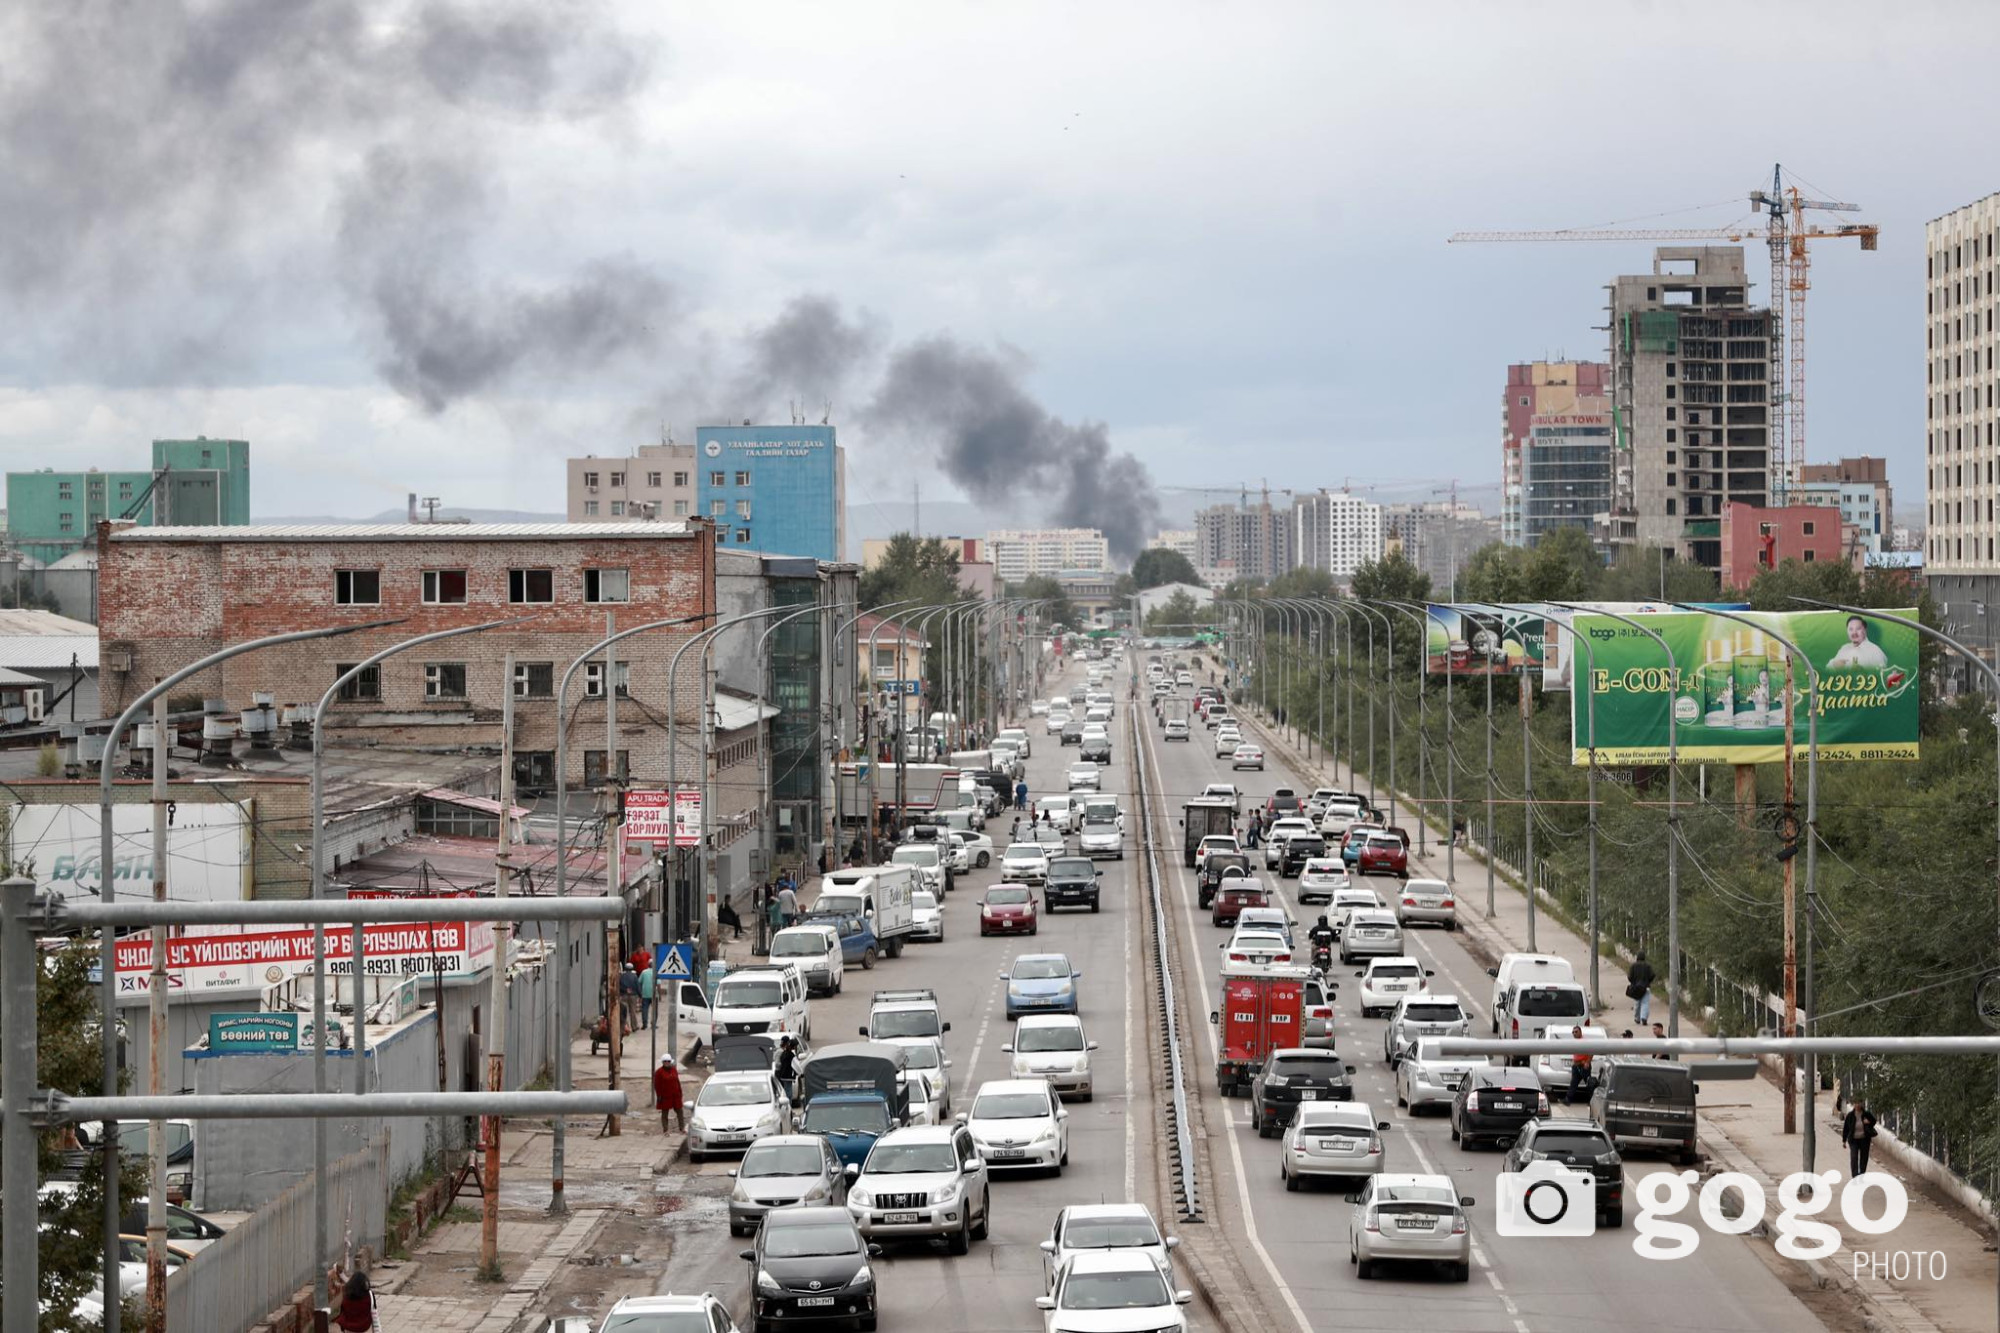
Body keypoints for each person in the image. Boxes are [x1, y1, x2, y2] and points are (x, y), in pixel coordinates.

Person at [1842, 1097, 1879, 1177]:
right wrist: (1844, 1140)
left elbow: (1874, 1121)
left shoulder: (1866, 1114)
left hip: (1864, 1139)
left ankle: (1862, 1174)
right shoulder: (1850, 1115)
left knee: (1864, 1158)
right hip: (1853, 1140)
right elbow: (1846, 1128)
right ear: (1853, 1104)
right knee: (1854, 1157)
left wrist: (1868, 1122)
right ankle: (1855, 1176)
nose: (1857, 1105)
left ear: (1862, 1104)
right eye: (1856, 1103)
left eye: (1859, 1103)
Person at [653, 1053, 685, 1132]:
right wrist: (659, 1096)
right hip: (665, 1096)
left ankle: (682, 1128)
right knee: (665, 1114)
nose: (667, 1062)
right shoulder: (659, 1072)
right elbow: (657, 1085)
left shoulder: (674, 1069)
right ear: (662, 1062)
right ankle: (665, 1130)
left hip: (676, 1095)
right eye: (665, 1061)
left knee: (680, 1112)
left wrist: (680, 1093)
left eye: (668, 1061)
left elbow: (677, 1082)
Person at [1626, 952, 1656, 1025]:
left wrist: (1633, 982)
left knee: (1637, 1003)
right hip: (1646, 987)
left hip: (1636, 987)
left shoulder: (1633, 966)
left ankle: (1637, 1018)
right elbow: (1652, 975)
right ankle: (1644, 1018)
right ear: (1644, 957)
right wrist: (1648, 981)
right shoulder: (1648, 966)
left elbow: (1629, 977)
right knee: (1645, 1003)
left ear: (1637, 957)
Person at [1567, 1026, 1592, 1105]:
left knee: (1589, 1084)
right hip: (1576, 1066)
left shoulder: (1585, 1042)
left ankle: (1591, 1101)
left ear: (1580, 1032)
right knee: (1573, 1083)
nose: (1574, 1033)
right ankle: (1567, 1100)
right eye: (1573, 1032)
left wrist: (1587, 1062)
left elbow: (1591, 1052)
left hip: (1584, 1066)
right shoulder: (1574, 1042)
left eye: (1576, 1032)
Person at [618, 964, 640, 1031]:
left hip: (624, 995)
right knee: (633, 1011)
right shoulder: (635, 976)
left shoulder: (622, 976)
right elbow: (637, 986)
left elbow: (619, 986)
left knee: (624, 1012)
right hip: (633, 996)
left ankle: (625, 1027)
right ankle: (634, 1026)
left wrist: (625, 990)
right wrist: (640, 995)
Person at [638, 959, 656, 1030]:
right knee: (654, 1010)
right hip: (654, 994)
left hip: (645, 993)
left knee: (644, 1010)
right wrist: (659, 995)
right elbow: (658, 984)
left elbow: (639, 982)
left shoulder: (644, 972)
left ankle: (644, 1024)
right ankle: (653, 1024)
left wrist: (640, 992)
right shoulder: (655, 972)